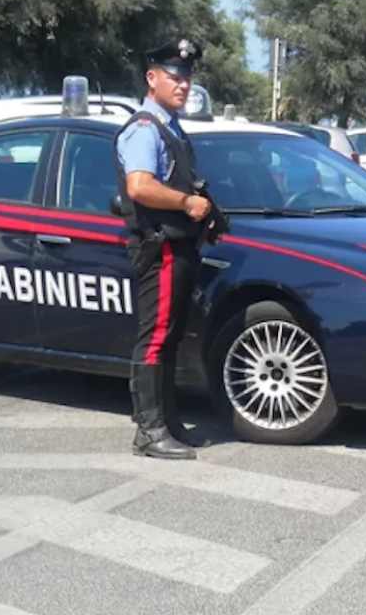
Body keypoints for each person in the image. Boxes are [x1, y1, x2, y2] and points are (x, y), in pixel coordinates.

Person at [115, 38, 212, 460]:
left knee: (169, 337)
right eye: (175, 76)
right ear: (151, 78)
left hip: (180, 244)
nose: (184, 84)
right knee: (155, 337)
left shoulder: (169, 126)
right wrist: (186, 202)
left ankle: (167, 422)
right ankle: (149, 431)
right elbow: (140, 186)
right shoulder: (143, 128)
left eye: (188, 77)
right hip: (161, 246)